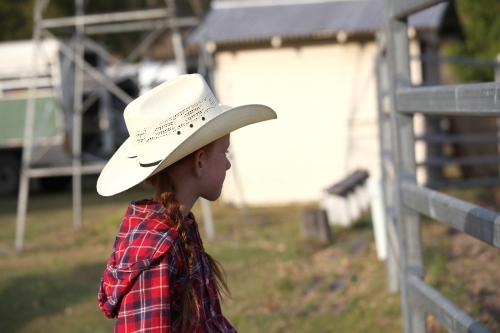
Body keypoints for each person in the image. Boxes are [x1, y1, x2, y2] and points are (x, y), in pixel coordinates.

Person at [96, 73, 277, 332]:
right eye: (224, 152)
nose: (227, 163)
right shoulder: (158, 252)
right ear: (199, 161)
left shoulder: (180, 227)